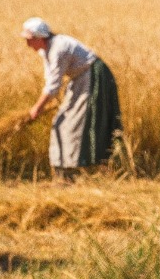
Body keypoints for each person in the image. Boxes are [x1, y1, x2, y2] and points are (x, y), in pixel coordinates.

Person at [23, 18, 122, 182]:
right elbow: (52, 80)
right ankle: (65, 172)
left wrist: (36, 108)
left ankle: (82, 170)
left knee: (77, 123)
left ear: (39, 38)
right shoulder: (47, 50)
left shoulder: (58, 49)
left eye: (29, 39)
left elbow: (53, 85)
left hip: (93, 78)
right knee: (62, 122)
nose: (27, 44)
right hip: (79, 79)